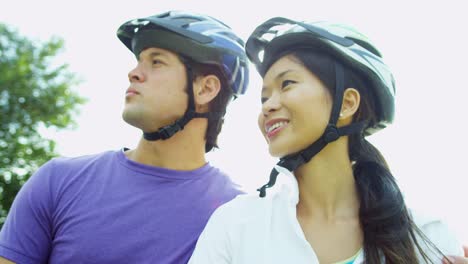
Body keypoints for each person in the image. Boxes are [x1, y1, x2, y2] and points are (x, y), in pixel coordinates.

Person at [188, 17, 463, 263]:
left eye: (287, 84)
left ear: (347, 104)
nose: (268, 106)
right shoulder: (235, 226)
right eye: (264, 97)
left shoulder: (427, 234)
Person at [0, 10, 249, 264]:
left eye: (157, 62)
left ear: (205, 88)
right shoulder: (58, 181)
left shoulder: (240, 214)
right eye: (139, 60)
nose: (134, 73)